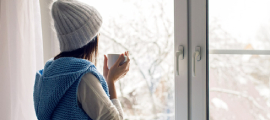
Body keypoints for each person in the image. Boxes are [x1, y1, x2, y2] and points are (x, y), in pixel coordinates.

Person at [33, 0, 130, 119]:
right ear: (89, 40)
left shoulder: (48, 76)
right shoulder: (82, 77)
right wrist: (111, 81)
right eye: (97, 34)